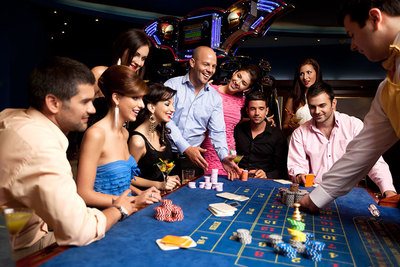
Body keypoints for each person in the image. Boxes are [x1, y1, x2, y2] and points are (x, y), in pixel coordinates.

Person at [0, 57, 137, 259]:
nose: (92, 109)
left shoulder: (11, 117)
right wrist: (119, 209)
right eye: (85, 102)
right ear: (53, 103)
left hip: (20, 230)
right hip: (18, 252)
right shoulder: (41, 146)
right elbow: (79, 231)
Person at [300, 0, 400, 212]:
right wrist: (316, 198)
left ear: (375, 18)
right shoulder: (387, 88)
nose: (353, 45)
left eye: (352, 34)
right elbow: (363, 150)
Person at [288, 81, 397, 197]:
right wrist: (300, 175)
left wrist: (388, 190)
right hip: (315, 192)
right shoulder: (299, 133)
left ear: (333, 103)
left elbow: (373, 161)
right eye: (312, 107)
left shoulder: (354, 125)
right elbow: (297, 166)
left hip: (351, 193)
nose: (317, 111)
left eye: (322, 105)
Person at [76, 65, 161, 209]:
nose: (141, 105)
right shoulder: (96, 134)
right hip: (103, 219)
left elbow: (122, 183)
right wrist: (133, 201)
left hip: (126, 213)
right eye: (135, 98)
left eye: (141, 98)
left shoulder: (125, 133)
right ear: (116, 98)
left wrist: (142, 194)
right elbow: (84, 193)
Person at [164, 46, 240, 179]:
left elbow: (218, 131)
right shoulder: (171, 85)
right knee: (165, 197)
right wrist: (186, 148)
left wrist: (223, 157)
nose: (210, 70)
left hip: (194, 159)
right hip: (165, 154)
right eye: (206, 64)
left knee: (192, 198)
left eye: (213, 66)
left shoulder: (215, 97)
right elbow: (166, 120)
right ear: (192, 62)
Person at [201, 65, 260, 176]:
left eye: (244, 83)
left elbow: (237, 119)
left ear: (246, 89)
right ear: (234, 72)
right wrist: (201, 91)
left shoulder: (242, 100)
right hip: (210, 146)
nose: (238, 82)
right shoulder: (210, 89)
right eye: (238, 76)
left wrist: (265, 120)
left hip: (230, 149)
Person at [128, 83, 181, 190]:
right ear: (152, 107)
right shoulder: (137, 141)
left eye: (172, 104)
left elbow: (156, 167)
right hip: (144, 199)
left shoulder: (159, 132)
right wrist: (159, 184)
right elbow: (127, 177)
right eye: (167, 104)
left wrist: (167, 178)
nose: (172, 109)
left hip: (161, 195)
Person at [234, 91, 288, 179]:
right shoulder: (238, 130)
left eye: (261, 108)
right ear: (247, 111)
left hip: (265, 181)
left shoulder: (277, 136)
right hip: (239, 177)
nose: (257, 113)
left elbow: (282, 168)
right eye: (252, 109)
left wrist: (267, 174)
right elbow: (236, 155)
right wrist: (236, 166)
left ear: (267, 111)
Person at [282, 58, 323, 137]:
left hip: (318, 141)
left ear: (316, 73)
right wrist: (291, 126)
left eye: (308, 72)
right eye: (301, 74)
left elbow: (330, 123)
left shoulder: (324, 96)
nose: (305, 77)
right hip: (297, 141)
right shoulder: (293, 98)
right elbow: (284, 126)